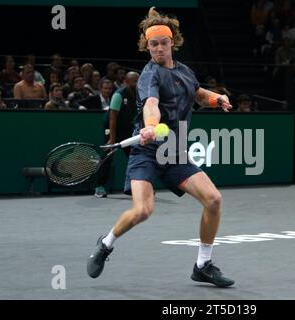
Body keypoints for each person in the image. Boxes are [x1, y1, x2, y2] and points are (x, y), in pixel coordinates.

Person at [87, 7, 235, 287]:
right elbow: (151, 103)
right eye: (152, 44)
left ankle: (203, 265)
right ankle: (106, 244)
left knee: (213, 200)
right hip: (147, 152)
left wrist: (217, 98)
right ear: (147, 46)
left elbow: (197, 94)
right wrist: (151, 125)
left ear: (172, 43)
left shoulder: (185, 72)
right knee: (143, 210)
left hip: (175, 152)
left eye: (162, 43)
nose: (157, 48)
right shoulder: (148, 75)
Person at [94, 72, 140, 198]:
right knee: (108, 156)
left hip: (127, 128)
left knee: (135, 157)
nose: (136, 83)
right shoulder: (118, 95)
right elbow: (112, 118)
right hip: (111, 127)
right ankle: (99, 187)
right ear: (126, 81)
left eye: (138, 80)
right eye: (133, 81)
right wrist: (112, 139)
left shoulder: (139, 94)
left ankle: (133, 187)